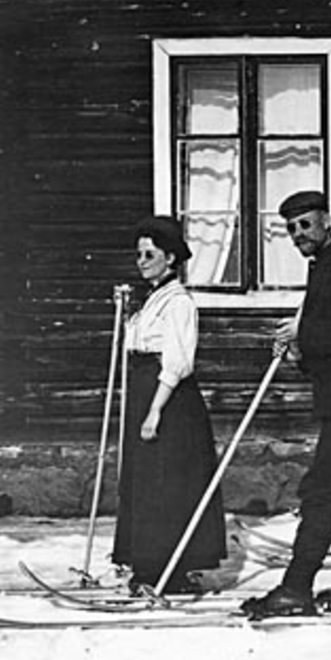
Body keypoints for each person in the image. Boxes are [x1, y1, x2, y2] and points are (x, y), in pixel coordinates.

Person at [238, 190, 331, 618]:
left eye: (305, 224)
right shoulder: (324, 266)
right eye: (290, 228)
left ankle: (296, 588)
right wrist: (299, 352)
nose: (298, 234)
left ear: (326, 221)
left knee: (321, 491)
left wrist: (303, 336)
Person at [114, 216, 226, 594]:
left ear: (171, 258)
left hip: (171, 400)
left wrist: (155, 409)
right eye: (139, 254)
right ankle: (149, 565)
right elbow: (135, 345)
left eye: (150, 254)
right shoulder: (150, 302)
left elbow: (178, 361)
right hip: (146, 390)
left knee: (166, 485)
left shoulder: (179, 302)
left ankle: (166, 570)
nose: (141, 261)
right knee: (147, 482)